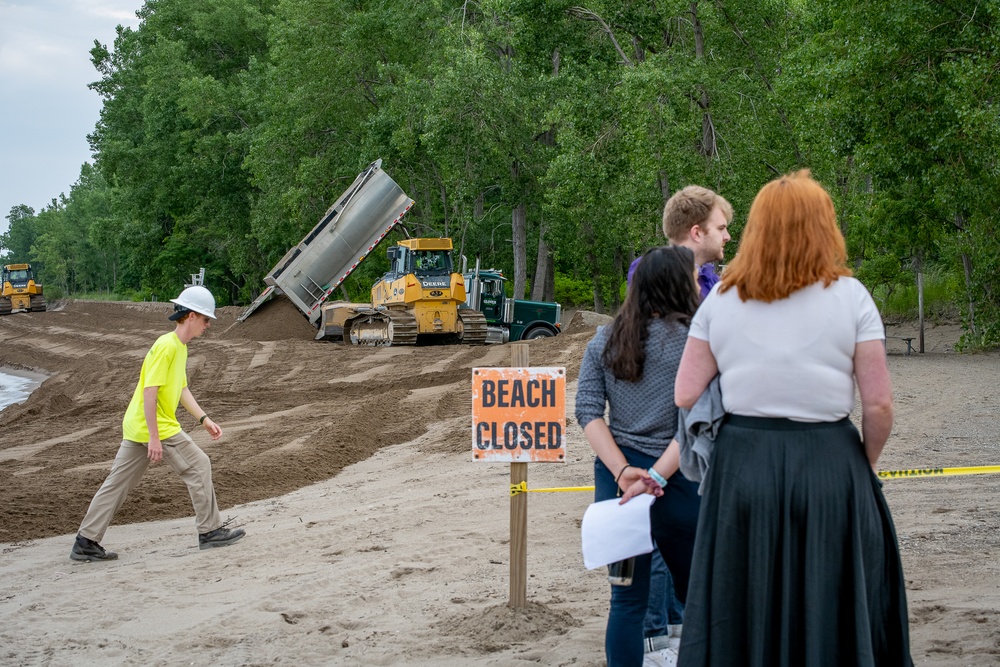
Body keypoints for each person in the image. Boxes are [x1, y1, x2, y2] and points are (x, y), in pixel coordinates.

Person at [671, 171, 911, 666]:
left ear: (757, 228)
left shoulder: (721, 298)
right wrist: (860, 465)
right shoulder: (852, 297)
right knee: (832, 600)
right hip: (830, 465)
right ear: (825, 227)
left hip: (742, 469)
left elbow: (686, 391)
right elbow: (879, 405)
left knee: (742, 604)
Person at [576, 246, 703, 667]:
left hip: (619, 484)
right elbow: (693, 423)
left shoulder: (604, 339)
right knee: (702, 599)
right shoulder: (694, 342)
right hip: (680, 479)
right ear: (677, 284)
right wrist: (656, 477)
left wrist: (626, 472)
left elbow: (588, 412)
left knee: (626, 603)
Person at [70, 285, 246, 562]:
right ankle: (210, 531)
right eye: (205, 318)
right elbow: (149, 392)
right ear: (189, 316)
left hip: (137, 425)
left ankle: (85, 542)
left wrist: (204, 419)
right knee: (199, 465)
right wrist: (154, 437)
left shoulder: (179, 347)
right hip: (157, 426)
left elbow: (182, 389)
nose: (208, 324)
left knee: (116, 484)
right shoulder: (166, 346)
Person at [627, 185, 733, 299]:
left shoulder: (710, 280)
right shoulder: (651, 272)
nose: (727, 237)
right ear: (696, 233)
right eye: (720, 228)